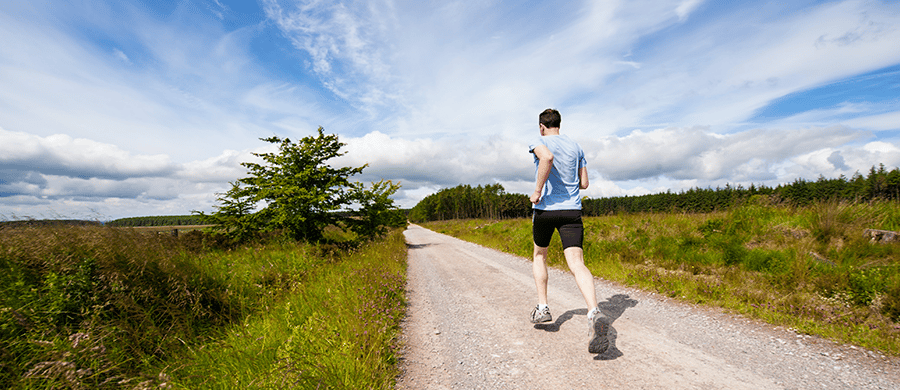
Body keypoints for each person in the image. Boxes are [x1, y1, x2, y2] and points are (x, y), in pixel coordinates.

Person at [528, 108, 608, 354]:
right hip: (572, 211)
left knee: (540, 255)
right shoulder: (576, 147)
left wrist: (538, 191)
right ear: (559, 125)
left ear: (542, 126)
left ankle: (543, 308)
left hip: (545, 210)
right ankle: (594, 311)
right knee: (577, 262)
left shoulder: (538, 141)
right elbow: (584, 183)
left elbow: (547, 158)